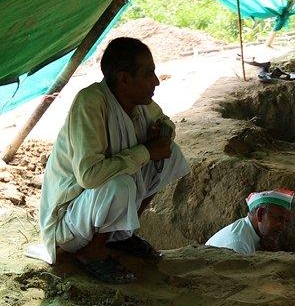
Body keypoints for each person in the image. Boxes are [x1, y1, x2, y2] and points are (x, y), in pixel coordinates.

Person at [37, 38, 190, 283]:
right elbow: (89, 176)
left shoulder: (140, 104)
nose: (156, 82)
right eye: (148, 74)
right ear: (124, 79)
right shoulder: (91, 102)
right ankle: (93, 251)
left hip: (95, 209)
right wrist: (145, 152)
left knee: (172, 154)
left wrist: (161, 133)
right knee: (120, 184)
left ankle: (121, 235)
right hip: (69, 221)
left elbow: (166, 123)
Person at [205, 189, 295, 254]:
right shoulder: (238, 245)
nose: (283, 227)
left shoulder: (254, 234)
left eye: (286, 222)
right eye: (279, 219)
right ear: (260, 214)